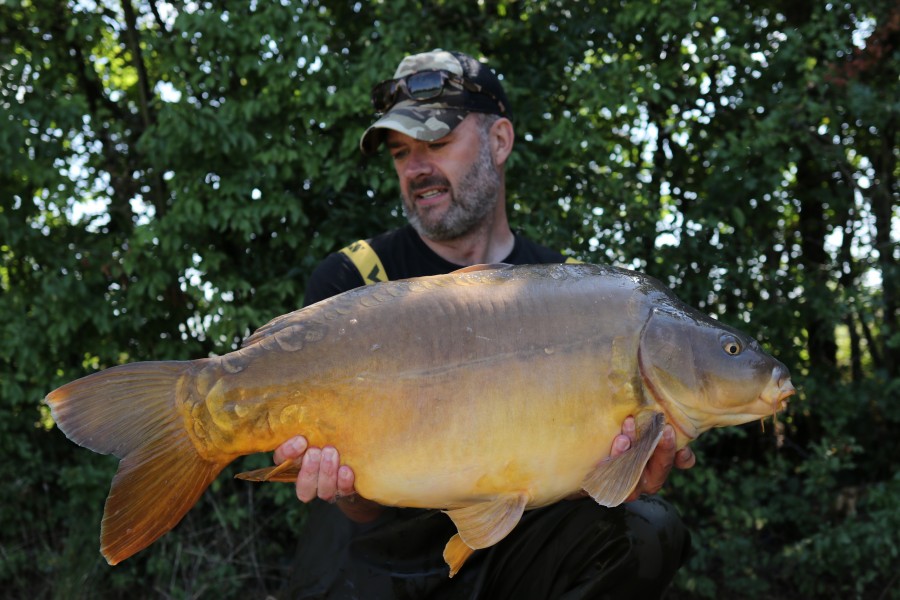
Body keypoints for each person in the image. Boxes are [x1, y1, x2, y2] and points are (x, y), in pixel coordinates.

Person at [273, 49, 695, 599]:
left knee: (649, 531)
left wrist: (619, 476)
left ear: (499, 140)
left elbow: (573, 483)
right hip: (375, 556)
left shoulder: (570, 294)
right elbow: (360, 507)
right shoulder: (354, 280)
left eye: (438, 143)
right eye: (401, 152)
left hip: (510, 553)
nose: (416, 167)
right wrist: (344, 488)